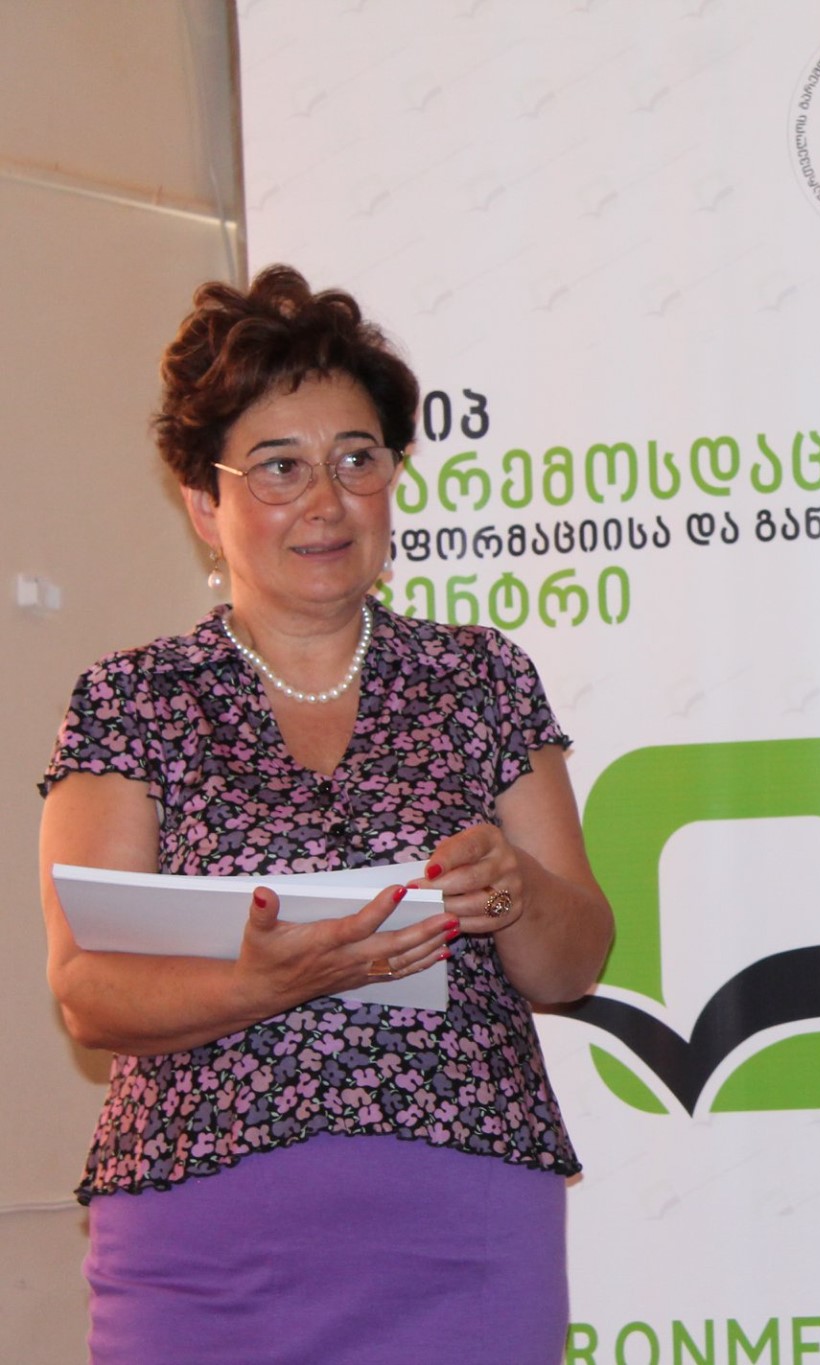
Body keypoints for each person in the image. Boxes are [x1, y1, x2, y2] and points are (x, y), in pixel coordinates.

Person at [37, 266, 614, 1365]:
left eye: (358, 459)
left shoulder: (480, 678)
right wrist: (262, 982)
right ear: (204, 506)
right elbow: (87, 989)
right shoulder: (134, 697)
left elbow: (573, 961)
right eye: (279, 467)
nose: (326, 500)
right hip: (200, 1241)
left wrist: (516, 891)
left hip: (462, 1227)